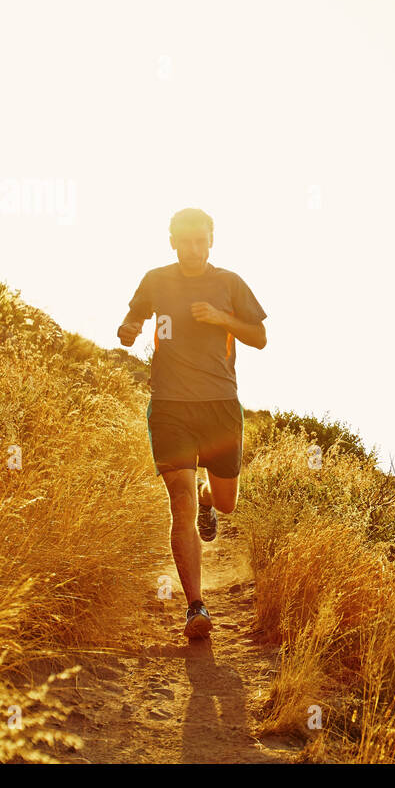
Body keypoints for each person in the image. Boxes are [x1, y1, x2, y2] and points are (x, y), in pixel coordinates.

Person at [117, 208, 267, 639]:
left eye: (200, 241)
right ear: (173, 242)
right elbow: (135, 316)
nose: (193, 249)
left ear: (211, 241)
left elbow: (259, 337)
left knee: (225, 504)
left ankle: (208, 499)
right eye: (185, 241)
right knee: (177, 503)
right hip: (169, 406)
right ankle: (195, 607)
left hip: (220, 406)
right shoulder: (156, 279)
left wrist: (223, 319)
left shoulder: (230, 283)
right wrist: (128, 330)